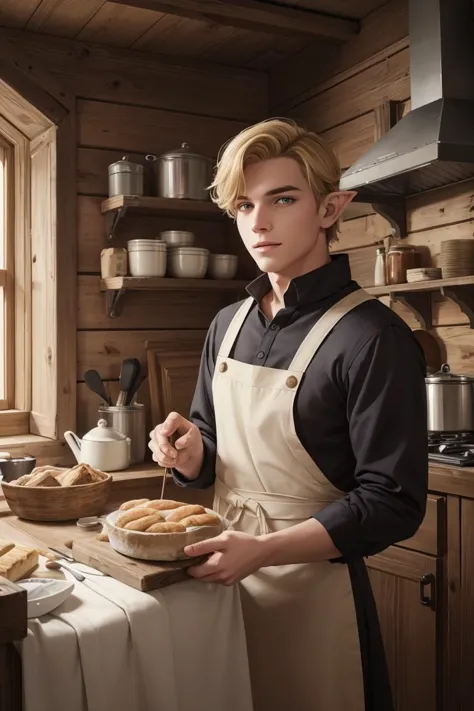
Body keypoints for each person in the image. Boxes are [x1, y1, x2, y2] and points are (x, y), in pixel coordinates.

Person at [149, 118, 428, 711]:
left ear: (330, 208)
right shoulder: (227, 325)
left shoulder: (373, 338)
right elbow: (212, 447)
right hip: (221, 573)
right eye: (244, 205)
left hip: (314, 593)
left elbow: (391, 502)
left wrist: (265, 550)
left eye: (282, 199)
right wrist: (190, 451)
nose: (259, 222)